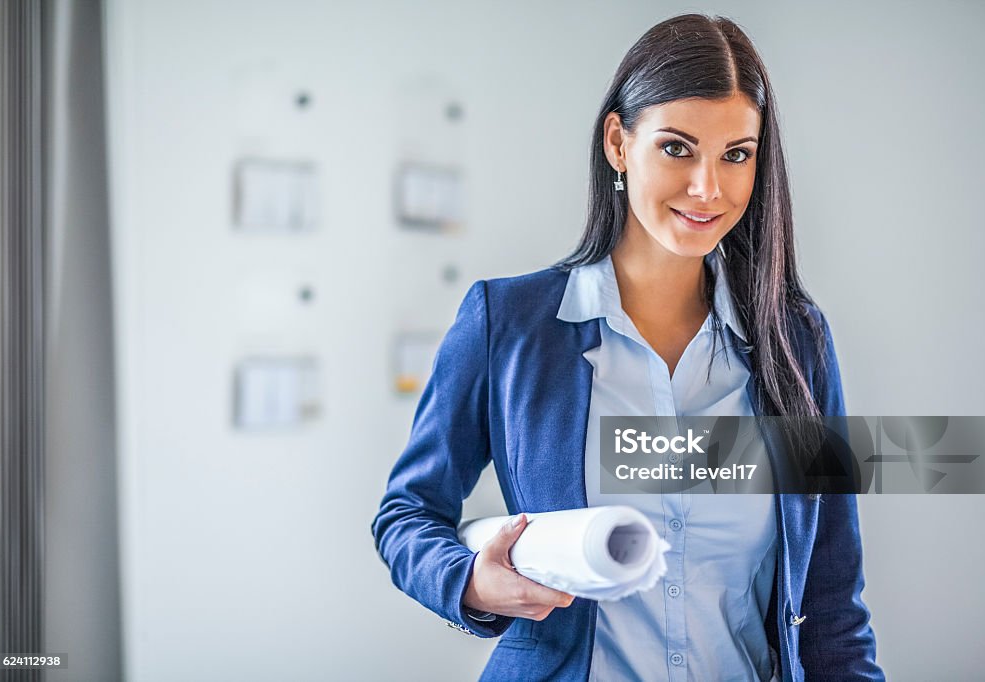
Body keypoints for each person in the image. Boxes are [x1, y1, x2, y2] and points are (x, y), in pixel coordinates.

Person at [372, 13, 883, 682]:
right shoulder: (509, 323)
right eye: (677, 148)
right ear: (618, 141)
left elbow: (831, 603)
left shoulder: (798, 343)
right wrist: (470, 581)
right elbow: (407, 514)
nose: (709, 187)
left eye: (737, 154)